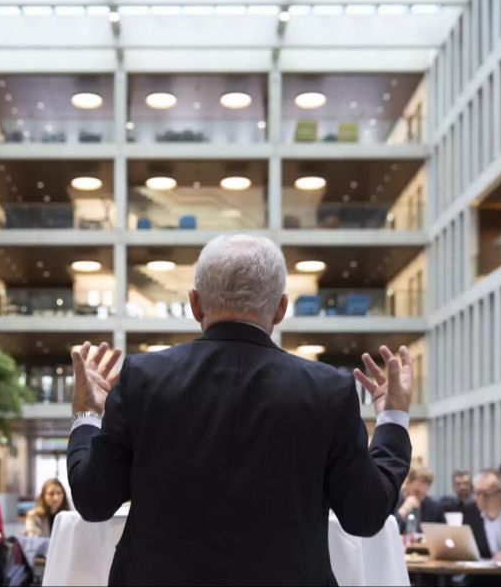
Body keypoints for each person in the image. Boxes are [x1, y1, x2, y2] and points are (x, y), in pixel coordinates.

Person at [67, 234, 414, 584]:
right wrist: (393, 419)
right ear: (281, 308)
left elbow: (93, 500)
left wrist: (86, 415)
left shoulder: (142, 379)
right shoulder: (329, 390)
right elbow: (366, 514)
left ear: (195, 304)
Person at [394, 465, 445, 532]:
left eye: (423, 493)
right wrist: (404, 509)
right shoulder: (392, 500)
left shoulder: (434, 506)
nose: (419, 497)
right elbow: (387, 530)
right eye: (417, 492)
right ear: (407, 483)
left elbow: (444, 533)